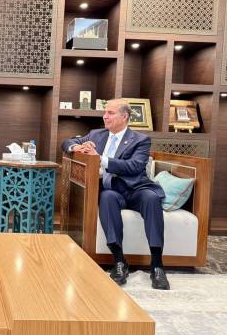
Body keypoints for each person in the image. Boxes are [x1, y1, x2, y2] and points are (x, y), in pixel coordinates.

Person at [61, 98, 170, 290]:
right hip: (112, 189)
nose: (105, 116)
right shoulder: (96, 134)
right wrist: (75, 147)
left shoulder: (140, 140)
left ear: (124, 116)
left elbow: (134, 166)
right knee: (107, 197)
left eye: (110, 113)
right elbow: (67, 142)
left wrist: (100, 159)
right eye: (105, 112)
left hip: (136, 189)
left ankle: (157, 265)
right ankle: (119, 261)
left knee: (152, 199)